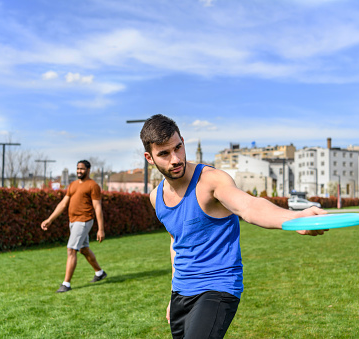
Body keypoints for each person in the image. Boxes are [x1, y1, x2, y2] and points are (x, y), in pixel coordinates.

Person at [140, 115, 327, 339]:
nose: (175, 159)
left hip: (217, 287)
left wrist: (294, 219)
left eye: (178, 147)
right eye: (164, 154)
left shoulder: (211, 180)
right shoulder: (156, 198)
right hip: (181, 293)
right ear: (149, 158)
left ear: (182, 141)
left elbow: (249, 207)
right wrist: (173, 293)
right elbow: (176, 242)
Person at [41, 160, 107, 293]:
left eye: (82, 169)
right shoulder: (73, 185)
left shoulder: (93, 186)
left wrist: (101, 229)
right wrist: (50, 219)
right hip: (73, 220)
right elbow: (63, 204)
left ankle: (66, 284)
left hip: (84, 220)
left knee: (71, 250)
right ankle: (100, 273)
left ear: (88, 170)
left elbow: (97, 207)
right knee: (83, 249)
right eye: (77, 169)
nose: (79, 171)